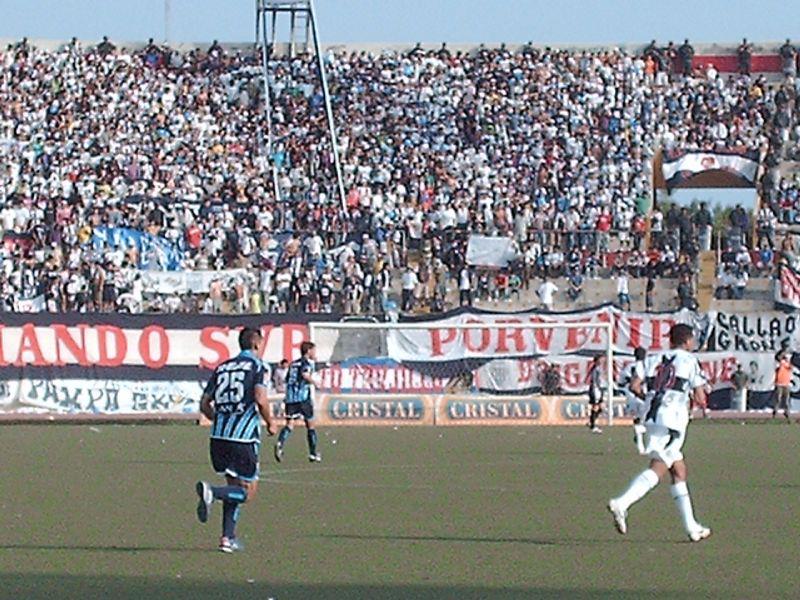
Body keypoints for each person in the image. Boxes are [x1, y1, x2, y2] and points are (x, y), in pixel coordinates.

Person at [607, 324, 711, 542]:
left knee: (679, 471)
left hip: (653, 415)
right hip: (672, 421)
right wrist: (695, 399)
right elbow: (700, 397)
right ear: (688, 341)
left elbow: (635, 385)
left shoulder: (654, 359)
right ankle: (622, 503)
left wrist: (651, 398)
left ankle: (692, 527)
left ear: (671, 340)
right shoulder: (690, 360)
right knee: (659, 467)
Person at [195, 327, 277, 553]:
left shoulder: (222, 367)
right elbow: (260, 398)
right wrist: (271, 422)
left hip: (218, 438)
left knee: (233, 485)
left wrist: (220, 419)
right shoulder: (259, 366)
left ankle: (227, 538)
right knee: (247, 493)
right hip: (243, 439)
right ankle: (213, 492)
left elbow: (204, 404)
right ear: (257, 343)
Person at [274, 341, 322, 462]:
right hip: (303, 397)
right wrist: (315, 383)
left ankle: (280, 443)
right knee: (310, 425)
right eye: (314, 350)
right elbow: (305, 374)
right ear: (309, 351)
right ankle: (313, 453)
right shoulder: (306, 363)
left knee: (289, 425)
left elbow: (287, 379)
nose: (315, 353)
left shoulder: (293, 364)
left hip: (290, 398)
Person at [621, 347, 648, 454]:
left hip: (631, 396)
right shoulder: (646, 366)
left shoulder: (629, 367)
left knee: (637, 419)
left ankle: (640, 443)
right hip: (642, 395)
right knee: (646, 420)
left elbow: (621, 381)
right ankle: (640, 437)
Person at [773, 348, 792, 420]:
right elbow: (777, 363)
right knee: (778, 398)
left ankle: (786, 412)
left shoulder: (788, 362)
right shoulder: (778, 363)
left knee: (786, 399)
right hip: (779, 383)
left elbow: (790, 368)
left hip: (786, 383)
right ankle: (775, 411)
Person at [587, 356, 604, 434]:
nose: (601, 361)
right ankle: (593, 426)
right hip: (595, 390)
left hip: (598, 389)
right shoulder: (595, 369)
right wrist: (597, 389)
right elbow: (594, 381)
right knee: (596, 407)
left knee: (601, 407)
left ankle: (591, 422)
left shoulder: (598, 368)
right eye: (600, 360)